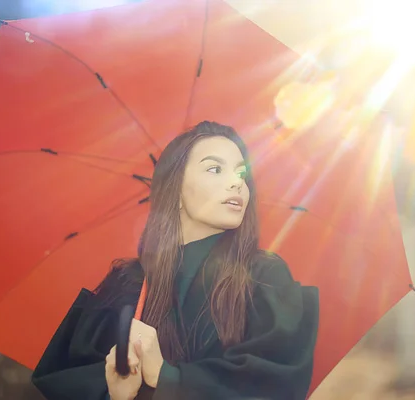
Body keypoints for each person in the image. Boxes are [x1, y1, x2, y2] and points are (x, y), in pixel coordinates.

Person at [31, 121, 319, 400]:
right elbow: (71, 380)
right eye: (215, 169)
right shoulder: (127, 283)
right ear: (177, 190)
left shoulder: (264, 277)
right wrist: (116, 395)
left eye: (241, 173)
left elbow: (271, 388)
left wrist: (164, 376)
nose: (236, 182)